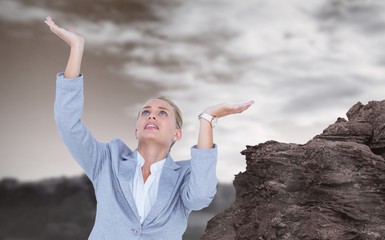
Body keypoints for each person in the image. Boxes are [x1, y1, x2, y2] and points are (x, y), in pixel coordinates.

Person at [44, 16, 254, 239]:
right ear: (136, 129)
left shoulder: (184, 176)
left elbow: (201, 197)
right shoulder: (107, 162)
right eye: (146, 111)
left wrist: (207, 119)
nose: (152, 114)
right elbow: (68, 123)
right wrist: (76, 48)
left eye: (162, 113)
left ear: (177, 133)